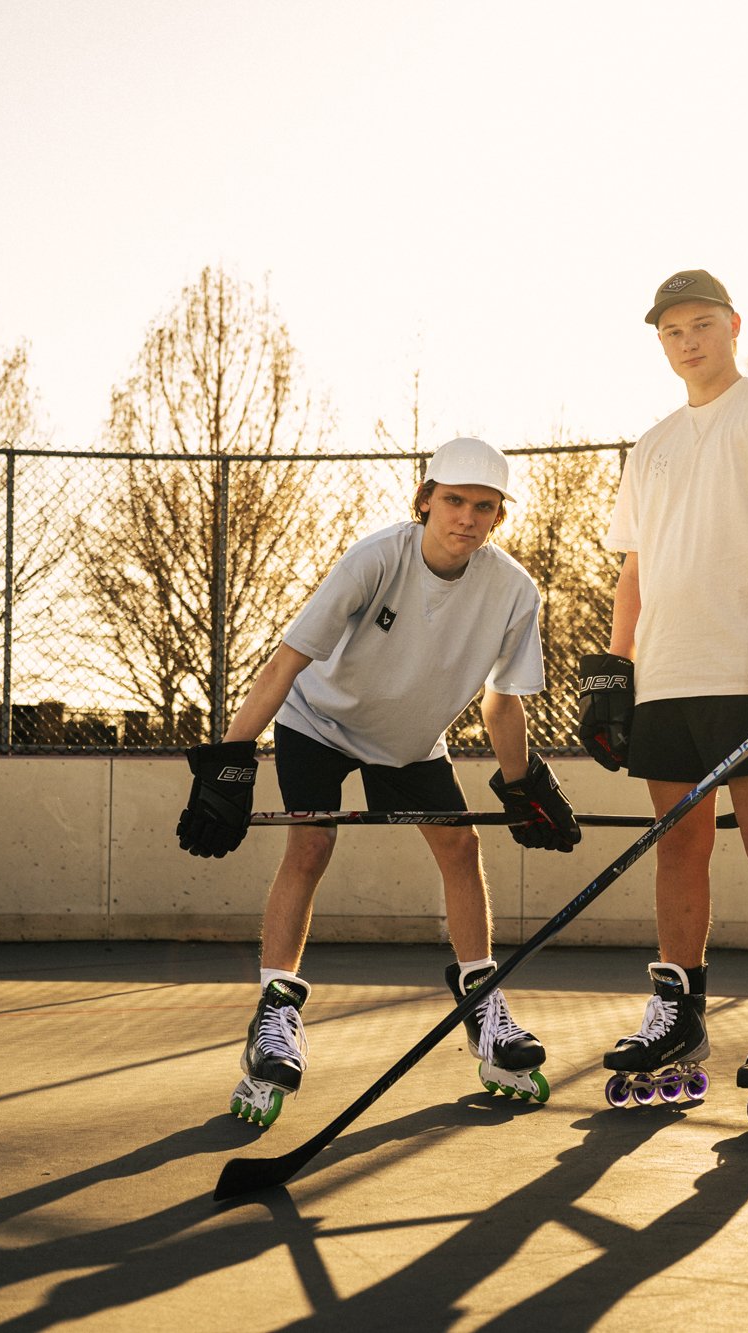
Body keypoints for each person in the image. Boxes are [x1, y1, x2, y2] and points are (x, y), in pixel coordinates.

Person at [177, 436, 583, 1129]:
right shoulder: (377, 558)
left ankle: (483, 1007)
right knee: (311, 845)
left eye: (485, 507)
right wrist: (230, 764)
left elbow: (501, 701)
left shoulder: (513, 589)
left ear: (498, 516)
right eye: (454, 500)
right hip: (319, 721)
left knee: (461, 849)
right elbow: (285, 662)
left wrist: (523, 787)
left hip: (408, 742)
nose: (467, 517)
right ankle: (276, 1013)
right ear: (426, 499)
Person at [579, 269, 748, 1125]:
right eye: (671, 332)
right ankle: (678, 1014)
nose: (687, 342)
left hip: (747, 670)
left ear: (733, 325)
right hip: (666, 678)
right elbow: (634, 569)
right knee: (678, 848)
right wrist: (615, 669)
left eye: (700, 325)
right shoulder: (650, 444)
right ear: (661, 343)